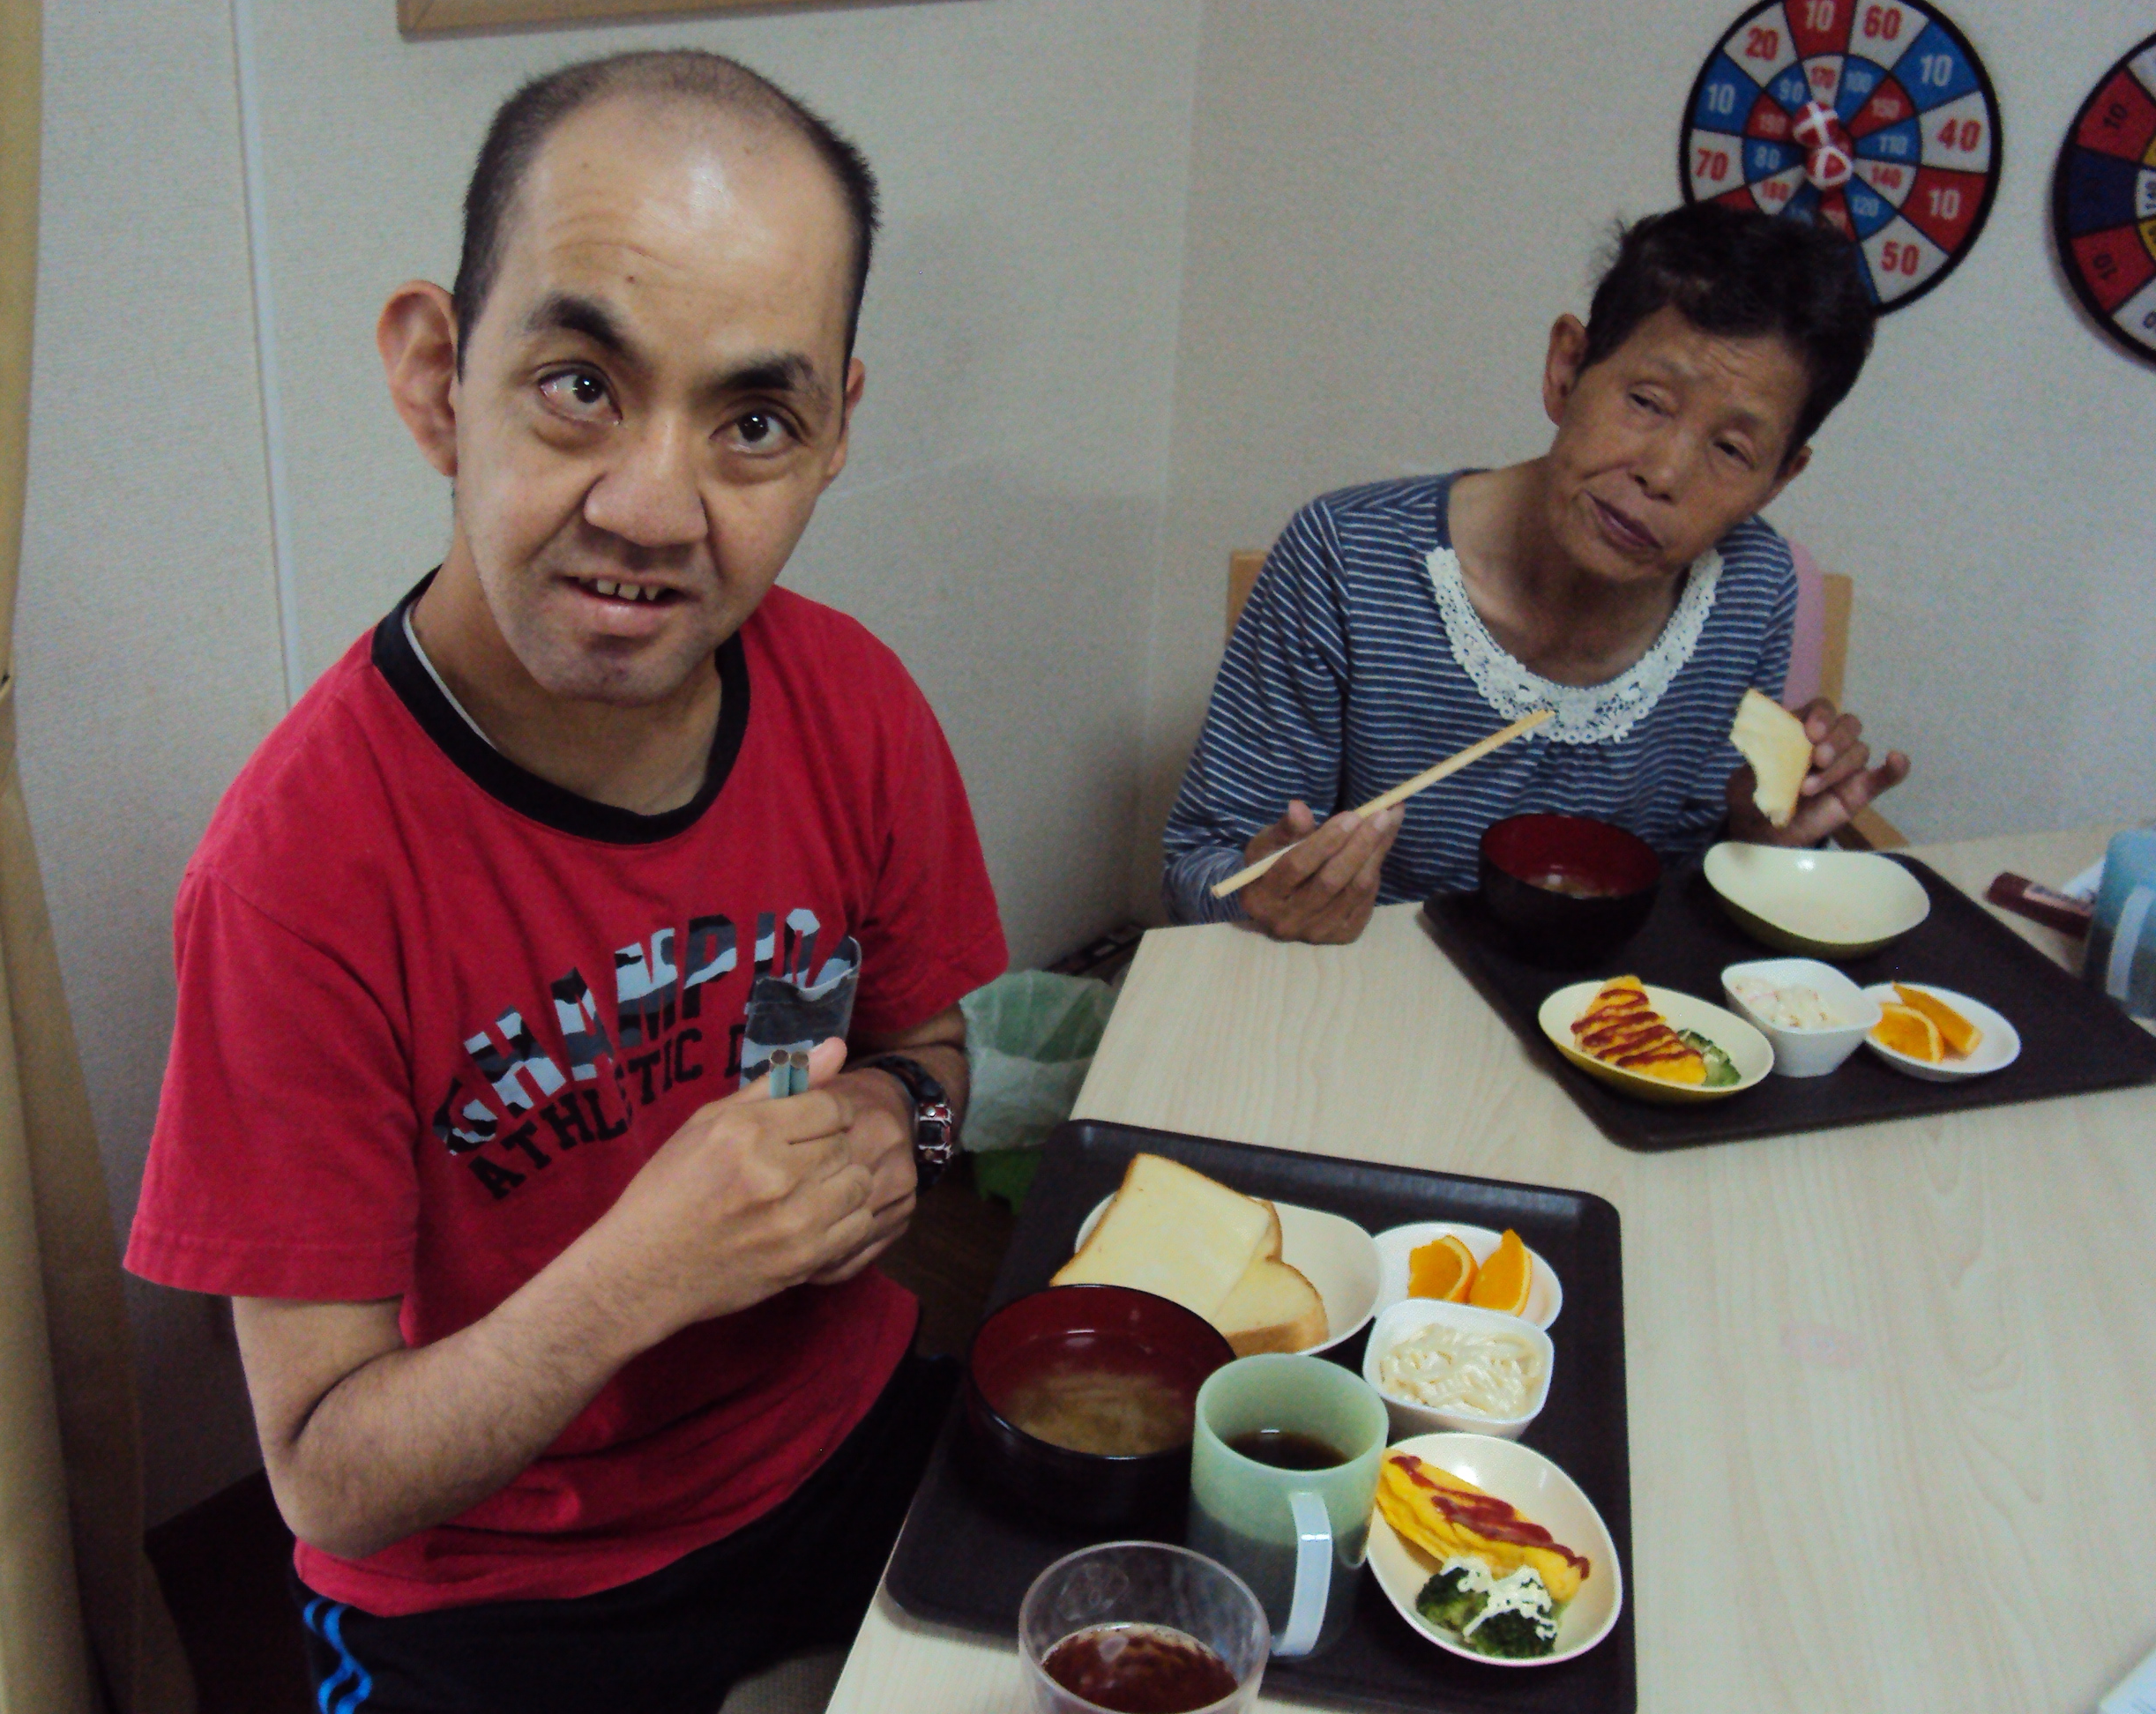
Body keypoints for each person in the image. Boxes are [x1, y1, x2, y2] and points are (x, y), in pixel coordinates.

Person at [123, 50, 1007, 1712]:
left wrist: (900, 1128)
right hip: (496, 1581)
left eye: (752, 422)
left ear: (831, 435)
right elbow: (325, 1475)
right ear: (435, 377)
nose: (653, 508)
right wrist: (644, 1270)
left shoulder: (857, 704)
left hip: (835, 1439)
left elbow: (933, 1052)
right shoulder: (291, 875)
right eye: (580, 385)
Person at [1162, 203, 1910, 944]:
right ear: (1566, 369)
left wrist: (1759, 837)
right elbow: (1197, 865)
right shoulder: (1348, 560)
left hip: (1616, 1004)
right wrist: (1265, 897)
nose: (1664, 474)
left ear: (1779, 479)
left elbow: (1690, 898)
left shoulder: (1753, 588)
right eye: (1647, 402)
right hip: (1363, 988)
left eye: (1733, 450)